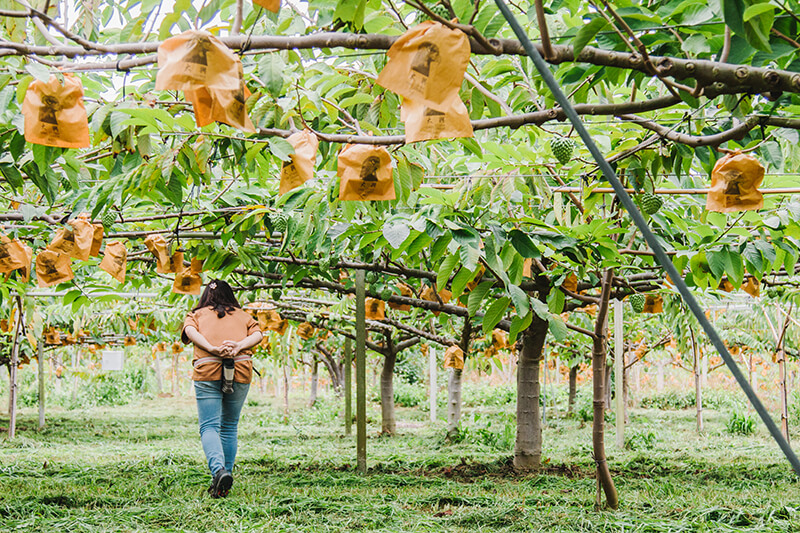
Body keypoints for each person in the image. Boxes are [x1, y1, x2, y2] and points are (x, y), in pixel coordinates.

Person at [181, 279, 262, 498]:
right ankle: (226, 477)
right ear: (230, 295)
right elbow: (258, 335)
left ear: (206, 296)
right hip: (240, 369)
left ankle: (219, 471)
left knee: (209, 426)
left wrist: (211, 348)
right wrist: (238, 346)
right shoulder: (243, 315)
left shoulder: (195, 314)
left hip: (208, 368)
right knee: (229, 426)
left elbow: (190, 332)